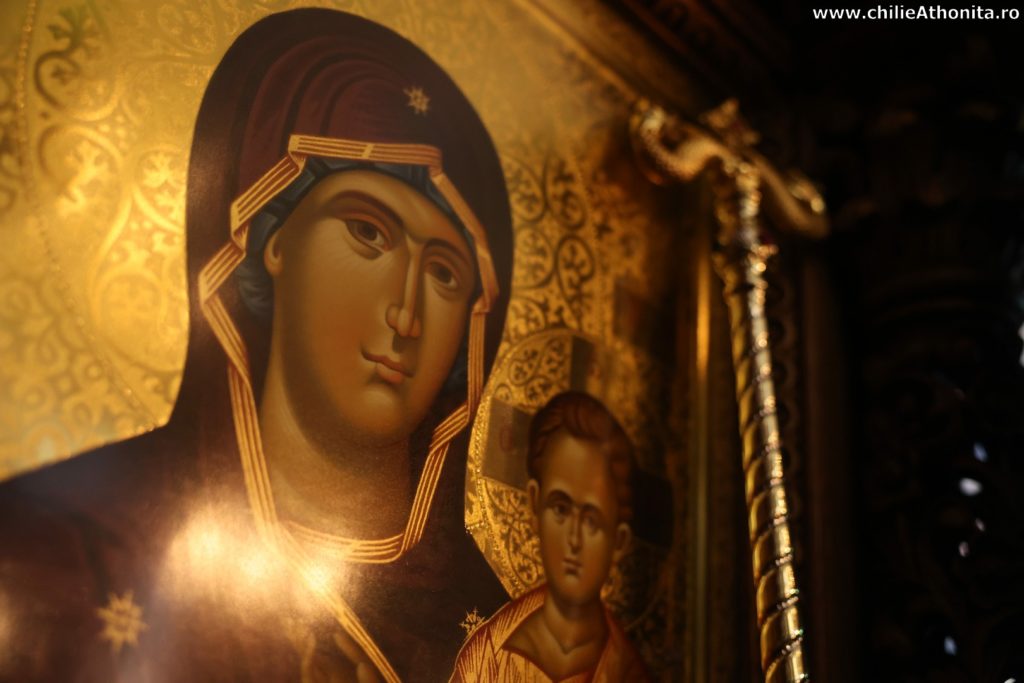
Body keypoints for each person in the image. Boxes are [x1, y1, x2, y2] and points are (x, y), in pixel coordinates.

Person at [0, 9, 512, 682]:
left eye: (444, 272)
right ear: (269, 239)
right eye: (367, 233)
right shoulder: (72, 548)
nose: (405, 312)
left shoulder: (508, 644)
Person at [451, 392, 650, 682]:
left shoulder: (627, 673)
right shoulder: (486, 659)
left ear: (618, 541)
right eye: (560, 509)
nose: (574, 540)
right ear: (534, 505)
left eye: (592, 521)